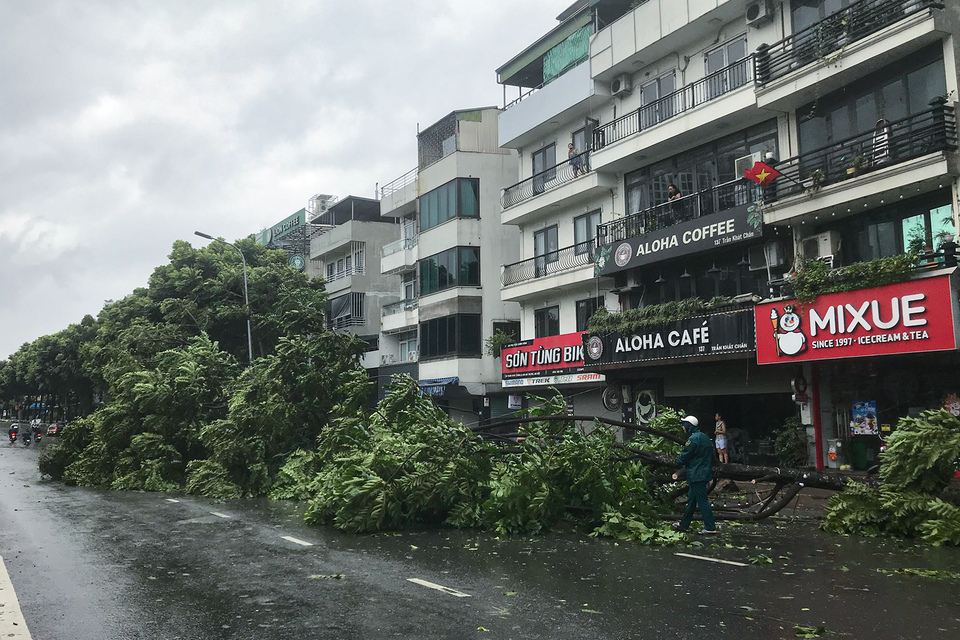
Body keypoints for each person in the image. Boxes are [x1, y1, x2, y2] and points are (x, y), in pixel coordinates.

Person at [671, 415, 717, 534]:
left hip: (696, 474)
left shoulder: (693, 439)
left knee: (702, 501)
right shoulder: (705, 438)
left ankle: (710, 527)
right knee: (691, 500)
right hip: (703, 473)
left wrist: (677, 461)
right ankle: (684, 524)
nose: (683, 428)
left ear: (689, 426)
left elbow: (685, 456)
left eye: (684, 425)